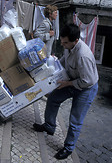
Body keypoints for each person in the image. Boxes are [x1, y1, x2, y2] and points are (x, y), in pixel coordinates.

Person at [33, 23, 99, 160]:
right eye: (61, 42)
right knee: (53, 98)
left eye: (65, 43)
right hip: (72, 80)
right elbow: (64, 60)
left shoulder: (83, 56)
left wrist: (67, 84)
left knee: (75, 120)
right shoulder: (69, 46)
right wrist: (54, 64)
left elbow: (87, 81)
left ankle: (68, 148)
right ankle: (49, 126)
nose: (63, 45)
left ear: (75, 41)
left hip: (86, 88)